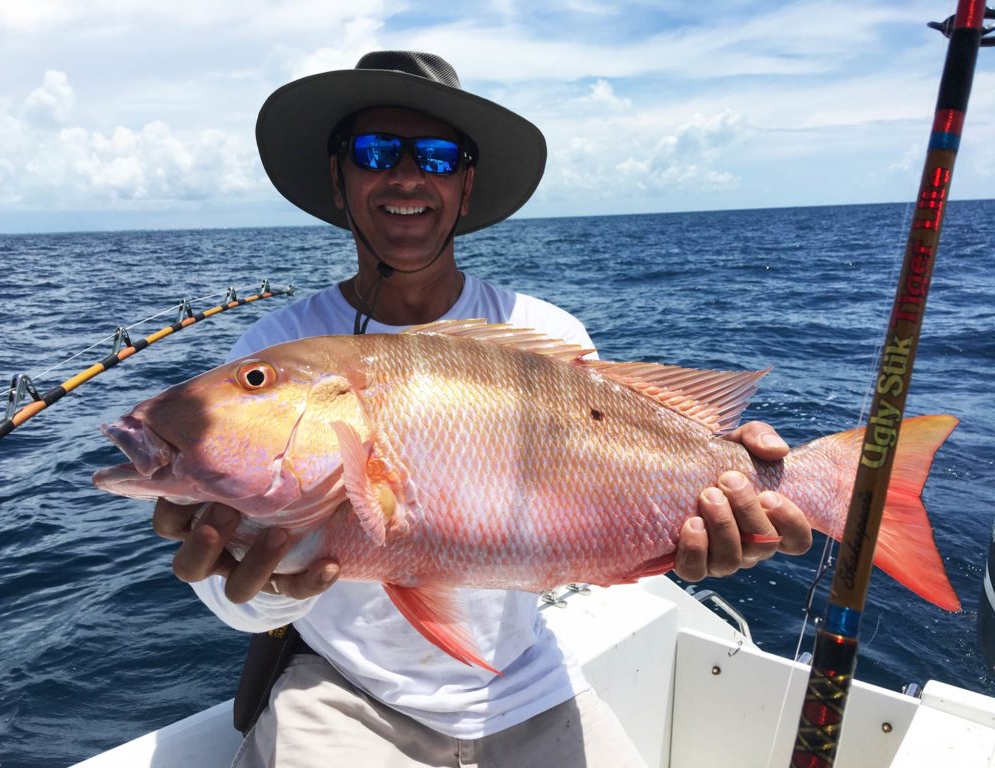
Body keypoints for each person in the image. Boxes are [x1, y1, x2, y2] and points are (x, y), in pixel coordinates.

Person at [153, 51, 812, 767]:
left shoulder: (550, 334)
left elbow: (599, 524)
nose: (407, 176)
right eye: (376, 152)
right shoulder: (274, 350)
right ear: (340, 182)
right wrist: (265, 589)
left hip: (525, 681)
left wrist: (722, 506)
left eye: (436, 157)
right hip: (346, 689)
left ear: (465, 188)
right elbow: (237, 606)